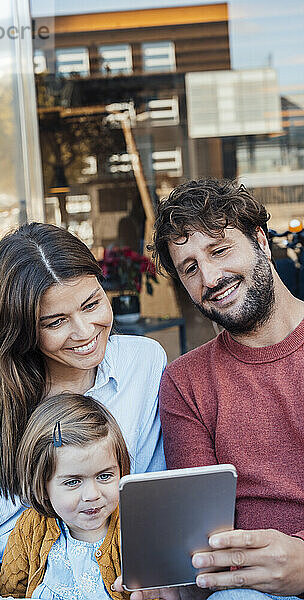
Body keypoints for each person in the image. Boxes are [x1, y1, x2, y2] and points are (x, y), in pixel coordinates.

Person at [0, 222, 167, 600]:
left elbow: (150, 491)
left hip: (110, 572)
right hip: (2, 583)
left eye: (92, 304)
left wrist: (148, 575)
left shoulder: (142, 363)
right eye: (55, 321)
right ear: (22, 327)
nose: (85, 331)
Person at [114, 178, 304, 600]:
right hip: (242, 588)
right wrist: (171, 585)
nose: (211, 277)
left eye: (219, 250)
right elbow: (198, 537)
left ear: (260, 240)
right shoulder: (185, 383)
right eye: (190, 268)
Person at [0, 392, 130, 599]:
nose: (92, 495)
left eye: (104, 476)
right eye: (73, 482)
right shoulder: (30, 528)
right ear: (42, 486)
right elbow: (11, 591)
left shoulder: (132, 528)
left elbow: (155, 590)